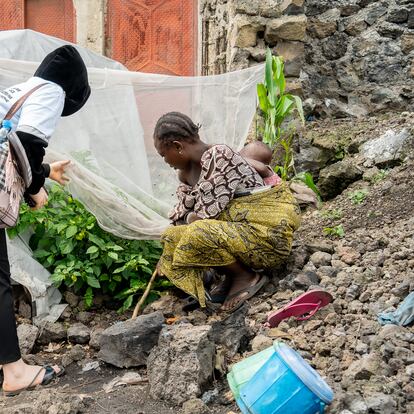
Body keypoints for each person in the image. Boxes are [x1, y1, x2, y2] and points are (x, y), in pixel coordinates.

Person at [0, 45, 90, 396]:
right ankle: (15, 371)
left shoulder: (18, 91)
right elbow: (25, 143)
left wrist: (45, 171)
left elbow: (10, 148)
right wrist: (36, 187)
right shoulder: (52, 91)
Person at [153, 112, 301, 312]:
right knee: (171, 236)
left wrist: (188, 217)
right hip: (239, 237)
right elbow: (181, 218)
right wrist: (168, 251)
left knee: (198, 231)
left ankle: (246, 277)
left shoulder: (220, 156)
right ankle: (231, 275)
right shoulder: (185, 175)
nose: (165, 161)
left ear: (178, 147)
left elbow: (204, 216)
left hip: (266, 238)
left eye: (163, 154)